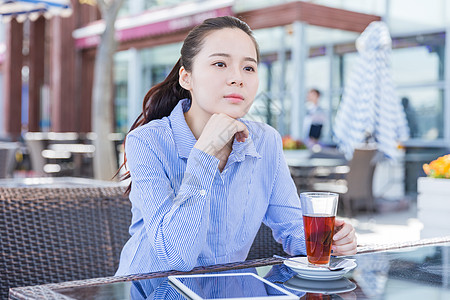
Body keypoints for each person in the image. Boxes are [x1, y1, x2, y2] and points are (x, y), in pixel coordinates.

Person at [116, 16, 357, 276]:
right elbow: (177, 258)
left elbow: (292, 229)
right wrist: (204, 154)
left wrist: (330, 241)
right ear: (187, 78)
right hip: (152, 288)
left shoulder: (266, 140)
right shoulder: (147, 141)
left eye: (249, 68)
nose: (237, 78)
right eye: (220, 63)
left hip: (232, 289)